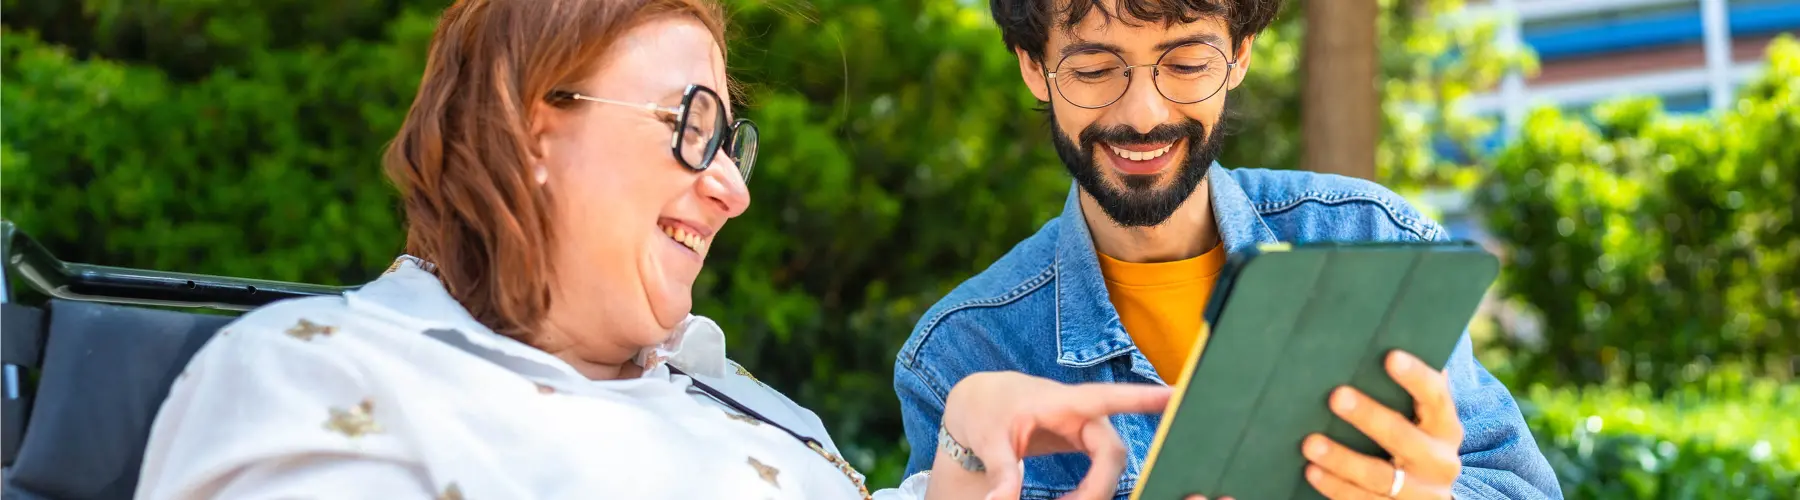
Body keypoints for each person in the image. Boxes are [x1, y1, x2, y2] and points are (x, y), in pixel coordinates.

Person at [133, 0, 1170, 498]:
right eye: (692, 126)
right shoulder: (317, 373)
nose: (733, 185)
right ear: (532, 127)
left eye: (732, 139)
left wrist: (965, 461)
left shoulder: (736, 401)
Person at [893, 0, 1563, 499]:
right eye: (1094, 68)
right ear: (1034, 69)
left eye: (1187, 62)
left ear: (1240, 55)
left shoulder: (1369, 238)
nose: (1145, 113)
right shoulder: (962, 354)